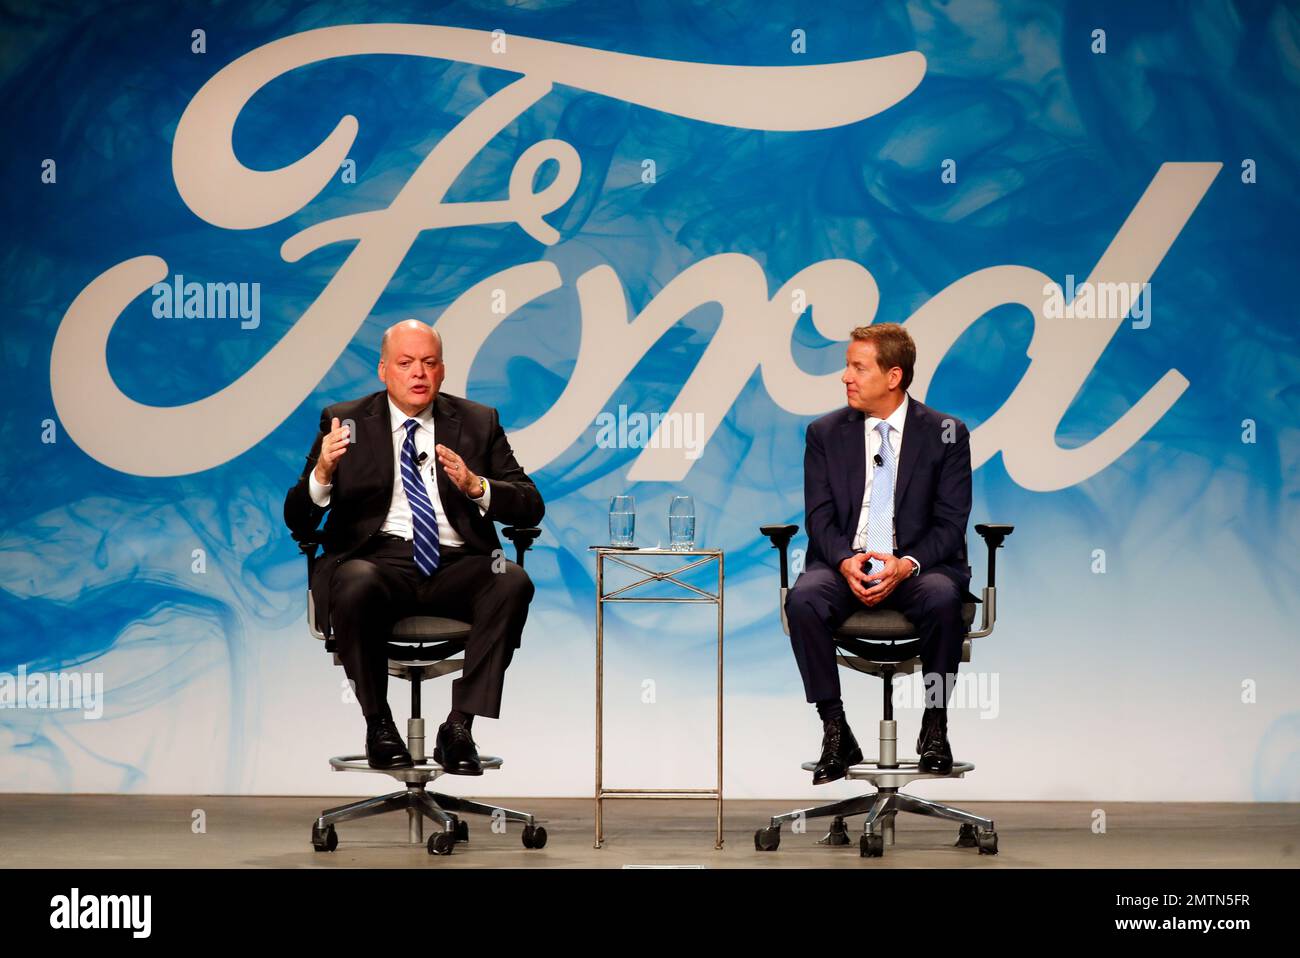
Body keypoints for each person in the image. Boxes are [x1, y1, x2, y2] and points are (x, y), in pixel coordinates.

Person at [284, 319, 544, 773]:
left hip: (457, 563)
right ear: (384, 370)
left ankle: (459, 726)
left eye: (428, 363)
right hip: (377, 564)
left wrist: (476, 485)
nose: (418, 373)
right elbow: (297, 518)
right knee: (355, 579)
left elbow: (529, 505)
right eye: (406, 364)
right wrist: (322, 475)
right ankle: (379, 725)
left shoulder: (478, 422)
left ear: (442, 371)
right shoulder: (344, 422)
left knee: (511, 579)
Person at [785, 322, 974, 784]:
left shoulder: (947, 433)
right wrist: (845, 561)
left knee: (944, 598)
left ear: (893, 376)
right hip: (846, 565)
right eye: (848, 366)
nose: (845, 377)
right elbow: (820, 518)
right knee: (803, 596)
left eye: (857, 367)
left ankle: (935, 723)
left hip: (916, 567)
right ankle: (834, 727)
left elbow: (951, 523)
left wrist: (905, 564)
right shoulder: (825, 433)